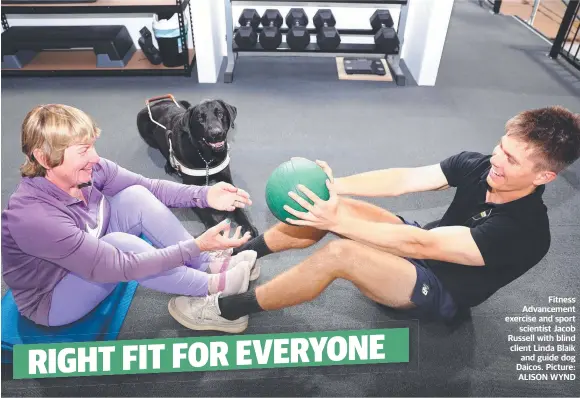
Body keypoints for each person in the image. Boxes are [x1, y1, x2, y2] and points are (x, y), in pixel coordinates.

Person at [166, 105, 580, 333]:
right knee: (329, 210)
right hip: (418, 249)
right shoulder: (480, 166)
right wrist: (336, 187)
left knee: (341, 252)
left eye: (511, 159)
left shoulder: (526, 231)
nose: (496, 159)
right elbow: (406, 179)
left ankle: (225, 309)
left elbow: (425, 246)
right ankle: (242, 257)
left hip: (439, 290)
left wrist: (339, 221)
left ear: (545, 175)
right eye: (500, 147)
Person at [1, 104, 259, 327]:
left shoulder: (90, 170)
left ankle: (206, 265)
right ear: (45, 158)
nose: (95, 157)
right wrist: (194, 246)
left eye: (92, 146)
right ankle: (214, 286)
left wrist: (204, 195)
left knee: (135, 194)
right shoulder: (33, 217)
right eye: (82, 151)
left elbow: (151, 187)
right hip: (53, 296)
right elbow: (117, 265)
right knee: (119, 247)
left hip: (92, 247)